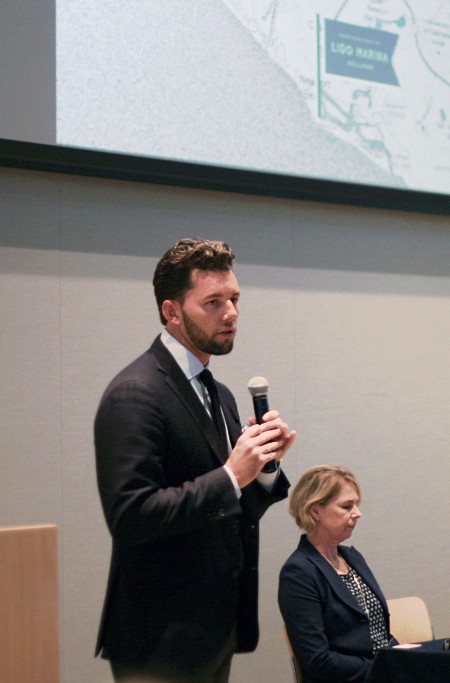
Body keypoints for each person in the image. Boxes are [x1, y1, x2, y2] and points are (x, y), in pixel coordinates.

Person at [94, 238, 297, 682]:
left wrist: (263, 470)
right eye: (213, 302)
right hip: (159, 639)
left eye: (234, 299)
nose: (231, 313)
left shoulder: (217, 392)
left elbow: (229, 509)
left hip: (214, 630)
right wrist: (230, 474)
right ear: (172, 312)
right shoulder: (137, 393)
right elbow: (131, 516)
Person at [278, 466, 394, 683]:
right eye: (347, 506)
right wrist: (383, 669)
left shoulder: (353, 557)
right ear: (316, 511)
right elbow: (318, 660)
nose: (358, 513)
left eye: (357, 504)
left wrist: (409, 660)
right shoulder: (299, 572)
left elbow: (379, 636)